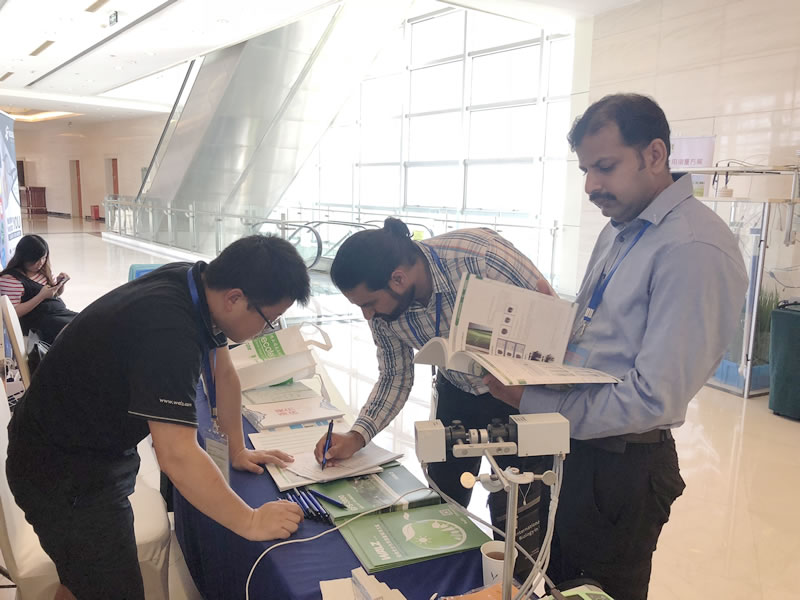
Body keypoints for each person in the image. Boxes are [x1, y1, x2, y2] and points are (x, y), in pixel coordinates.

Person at [484, 94, 748, 600]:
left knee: (597, 590)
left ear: (655, 154)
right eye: (585, 170)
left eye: (605, 167)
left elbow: (654, 398)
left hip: (621, 467)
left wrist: (531, 400)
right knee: (555, 581)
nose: (590, 186)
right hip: (578, 447)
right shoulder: (621, 229)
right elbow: (597, 330)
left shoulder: (692, 248)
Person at [7, 235, 310, 600]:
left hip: (79, 445)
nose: (267, 330)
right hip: (65, 474)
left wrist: (236, 449)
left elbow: (223, 372)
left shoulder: (196, 283)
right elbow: (176, 455)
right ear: (235, 299)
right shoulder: (170, 331)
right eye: (268, 320)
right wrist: (250, 520)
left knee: (83, 580)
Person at [314, 217, 556, 568]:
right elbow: (395, 376)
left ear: (398, 279)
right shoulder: (385, 313)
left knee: (518, 511)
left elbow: (555, 329)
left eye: (369, 303)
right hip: (457, 390)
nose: (367, 316)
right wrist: (357, 436)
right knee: (444, 502)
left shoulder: (482, 260)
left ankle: (518, 578)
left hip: (518, 396)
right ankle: (449, 578)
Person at [0, 234, 78, 344]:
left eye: (44, 258)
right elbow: (13, 313)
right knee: (76, 331)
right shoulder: (10, 279)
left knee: (87, 321)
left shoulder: (43, 270)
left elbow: (55, 295)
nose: (41, 263)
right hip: (40, 323)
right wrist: (41, 296)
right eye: (36, 260)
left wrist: (60, 285)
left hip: (60, 313)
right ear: (23, 258)